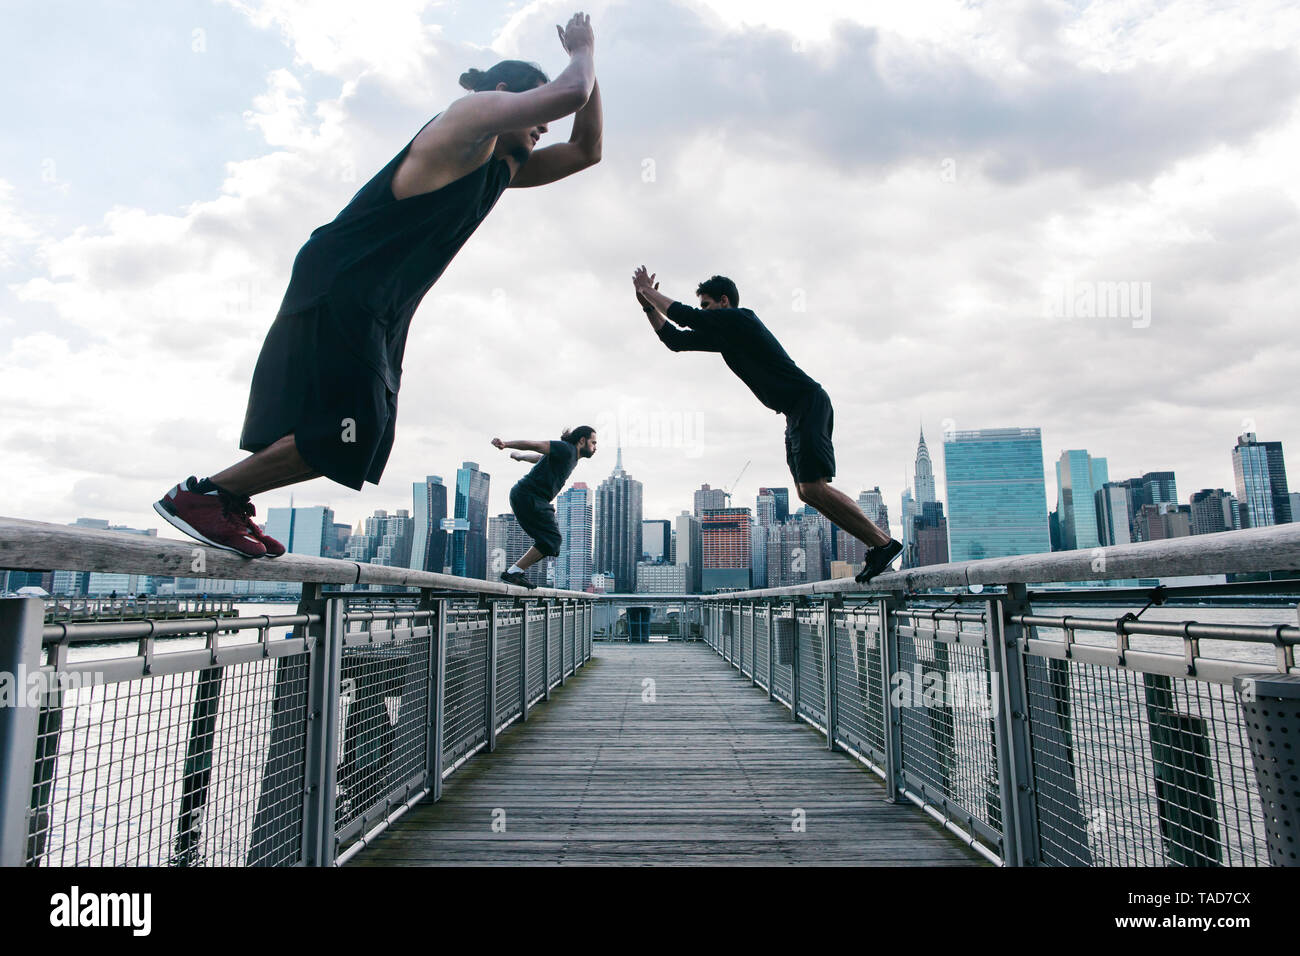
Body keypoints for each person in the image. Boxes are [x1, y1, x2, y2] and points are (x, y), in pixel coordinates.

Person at [154, 13, 603, 557]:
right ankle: (205, 497)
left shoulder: (499, 167)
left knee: (357, 434)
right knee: (352, 423)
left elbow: (585, 151)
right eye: (536, 107)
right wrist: (582, 51)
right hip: (348, 279)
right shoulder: (468, 118)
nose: (545, 124)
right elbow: (570, 93)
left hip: (383, 302)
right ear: (505, 94)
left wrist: (590, 69)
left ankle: (219, 499)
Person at [632, 267, 903, 583]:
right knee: (807, 492)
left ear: (724, 302)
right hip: (795, 411)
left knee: (814, 487)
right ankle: (879, 545)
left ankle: (883, 543)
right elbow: (675, 340)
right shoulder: (725, 338)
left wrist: (647, 291)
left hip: (808, 402)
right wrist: (648, 306)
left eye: (707, 306)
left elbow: (684, 316)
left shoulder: (741, 319)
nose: (704, 313)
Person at [492, 427, 597, 588]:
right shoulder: (566, 449)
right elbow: (535, 444)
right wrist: (506, 444)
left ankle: (515, 571)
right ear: (582, 441)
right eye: (593, 442)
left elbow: (539, 457)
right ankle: (514, 572)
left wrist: (520, 456)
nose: (595, 447)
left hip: (529, 497)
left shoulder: (569, 456)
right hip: (529, 496)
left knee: (550, 542)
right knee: (552, 540)